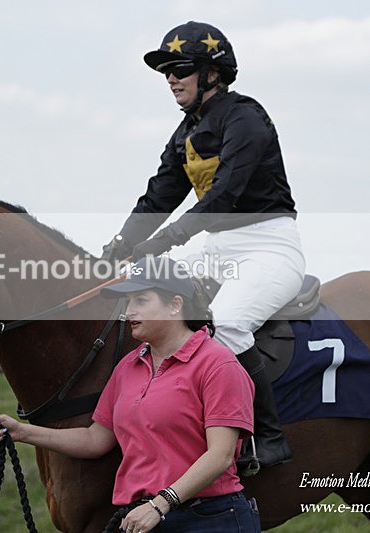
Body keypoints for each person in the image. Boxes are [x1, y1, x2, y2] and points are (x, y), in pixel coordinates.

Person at [102, 20, 305, 468]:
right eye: (166, 72)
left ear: (212, 73)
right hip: (216, 247)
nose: (170, 79)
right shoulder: (185, 133)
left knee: (227, 323)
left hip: (269, 246)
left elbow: (224, 195)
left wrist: (163, 241)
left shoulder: (245, 117)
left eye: (180, 69)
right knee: (145, 298)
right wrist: (118, 246)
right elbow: (158, 196)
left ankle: (266, 437)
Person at [0, 256, 259, 532]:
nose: (128, 311)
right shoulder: (128, 367)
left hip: (209, 518)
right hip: (145, 518)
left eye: (140, 300)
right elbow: (95, 439)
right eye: (127, 302)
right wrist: (22, 432)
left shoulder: (217, 364)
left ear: (175, 305)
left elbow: (220, 455)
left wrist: (160, 504)